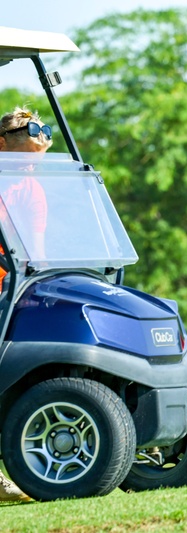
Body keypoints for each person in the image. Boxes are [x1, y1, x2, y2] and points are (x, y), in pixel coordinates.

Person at [0, 105, 52, 503]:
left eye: (38, 160)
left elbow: (37, 250)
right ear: (2, 145)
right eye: (25, 159)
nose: (32, 168)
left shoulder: (30, 187)